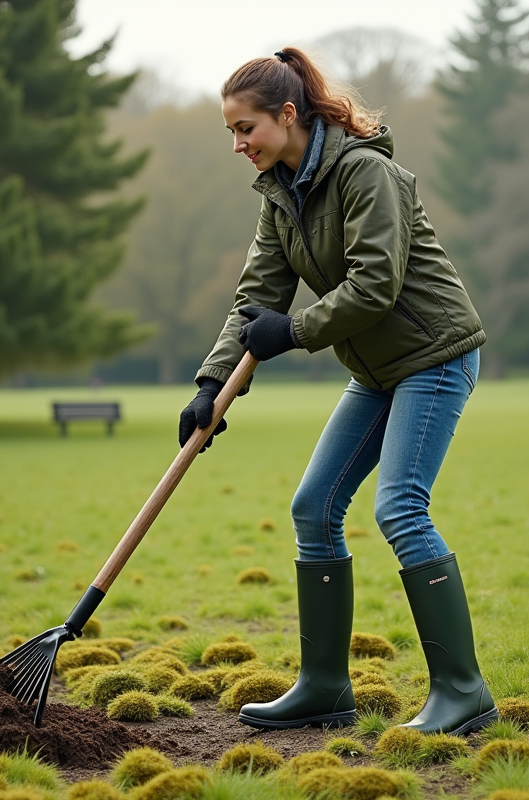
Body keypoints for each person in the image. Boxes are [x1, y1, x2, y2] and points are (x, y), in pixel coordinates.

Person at [178, 47, 496, 736]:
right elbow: (256, 296)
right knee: (314, 506)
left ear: (287, 115)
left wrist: (290, 333)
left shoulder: (366, 174)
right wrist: (210, 384)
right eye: (230, 132)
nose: (238, 144)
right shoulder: (280, 194)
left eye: (246, 128)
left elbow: (374, 287)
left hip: (433, 356)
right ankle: (324, 686)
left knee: (401, 509)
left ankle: (462, 691)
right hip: (377, 372)